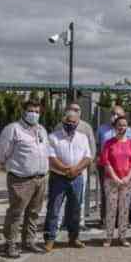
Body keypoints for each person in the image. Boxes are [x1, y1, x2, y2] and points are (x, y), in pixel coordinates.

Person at [0, 101, 49, 258]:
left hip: (40, 178)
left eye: (37, 111)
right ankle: (10, 244)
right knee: (16, 213)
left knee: (34, 213)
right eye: (31, 111)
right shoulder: (13, 129)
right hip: (20, 179)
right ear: (24, 112)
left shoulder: (41, 130)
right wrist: (10, 167)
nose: (34, 114)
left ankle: (29, 241)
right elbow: (0, 153)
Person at [43, 108, 93, 252]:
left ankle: (73, 237)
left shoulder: (82, 137)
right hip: (58, 177)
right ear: (63, 121)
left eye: (74, 122)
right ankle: (50, 238)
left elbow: (88, 157)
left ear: (78, 123)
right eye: (68, 121)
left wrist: (76, 170)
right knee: (54, 208)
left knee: (75, 208)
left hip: (77, 177)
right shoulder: (53, 137)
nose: (71, 124)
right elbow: (51, 158)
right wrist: (66, 170)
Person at [53, 102, 95, 230]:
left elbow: (91, 148)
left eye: (77, 109)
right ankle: (59, 223)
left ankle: (79, 222)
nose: (74, 111)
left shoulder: (86, 127)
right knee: (60, 198)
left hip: (80, 169)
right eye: (71, 109)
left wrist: (88, 166)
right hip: (61, 169)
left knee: (79, 197)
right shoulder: (59, 126)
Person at [98, 116, 131, 247]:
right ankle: (108, 237)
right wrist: (115, 177)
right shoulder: (108, 143)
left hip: (127, 181)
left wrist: (127, 177)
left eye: (124, 125)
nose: (122, 127)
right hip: (111, 180)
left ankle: (123, 237)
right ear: (115, 127)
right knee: (111, 209)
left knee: (124, 209)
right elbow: (106, 162)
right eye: (119, 125)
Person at [96, 105, 131, 227]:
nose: (115, 116)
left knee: (123, 193)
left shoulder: (129, 130)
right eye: (113, 113)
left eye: (118, 114)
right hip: (106, 166)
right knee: (106, 193)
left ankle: (121, 220)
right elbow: (98, 146)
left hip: (123, 168)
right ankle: (105, 219)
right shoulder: (102, 129)